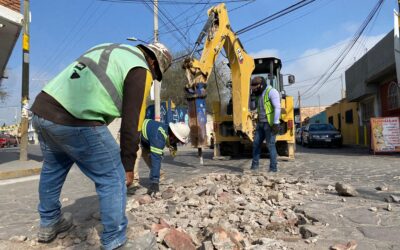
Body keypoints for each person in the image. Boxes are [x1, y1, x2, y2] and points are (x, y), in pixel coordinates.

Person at [30, 42, 172, 249]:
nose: (152, 77)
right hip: (77, 119)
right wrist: (128, 165)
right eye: (156, 71)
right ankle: (115, 241)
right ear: (152, 61)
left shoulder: (108, 49)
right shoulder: (140, 68)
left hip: (42, 111)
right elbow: (132, 123)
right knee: (114, 177)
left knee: (53, 168)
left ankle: (49, 223)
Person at [129, 119, 190, 194]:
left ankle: (159, 176)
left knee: (151, 157)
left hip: (145, 141)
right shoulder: (159, 137)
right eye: (177, 141)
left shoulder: (166, 129)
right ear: (173, 136)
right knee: (135, 156)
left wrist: (172, 144)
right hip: (132, 133)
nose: (177, 143)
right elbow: (156, 159)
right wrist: (154, 182)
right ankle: (132, 183)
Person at [250, 76, 281, 172]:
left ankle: (273, 169)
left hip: (270, 124)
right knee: (256, 144)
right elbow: (253, 108)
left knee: (270, 145)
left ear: (261, 85)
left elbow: (277, 108)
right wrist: (251, 99)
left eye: (255, 88)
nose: (254, 90)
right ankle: (254, 167)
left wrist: (275, 123)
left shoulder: (272, 92)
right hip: (260, 123)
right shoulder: (259, 94)